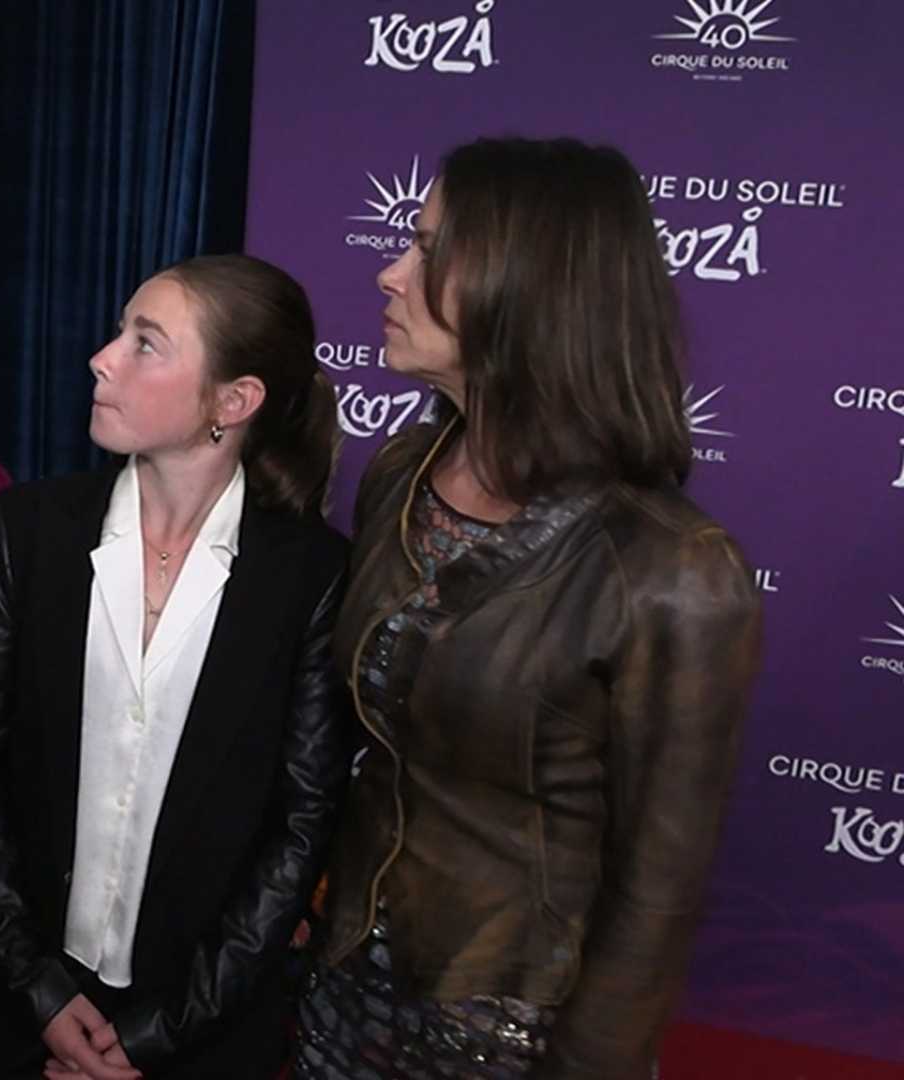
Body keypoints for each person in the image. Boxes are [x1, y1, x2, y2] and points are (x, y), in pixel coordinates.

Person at [293, 137, 764, 1080]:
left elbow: (656, 899)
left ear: (528, 283)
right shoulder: (402, 472)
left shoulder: (673, 569)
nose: (389, 274)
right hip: (345, 983)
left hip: (509, 1033)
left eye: (427, 251)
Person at [0, 254, 352, 1079]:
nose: (104, 357)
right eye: (122, 332)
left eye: (146, 343)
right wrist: (36, 985)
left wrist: (160, 1032)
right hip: (3, 1011)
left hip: (197, 1036)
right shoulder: (31, 531)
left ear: (234, 402)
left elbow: (301, 828)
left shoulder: (310, 577)